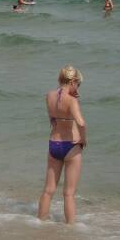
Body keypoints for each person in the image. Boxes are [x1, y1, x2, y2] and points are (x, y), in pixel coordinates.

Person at [37, 66, 87, 224]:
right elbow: (81, 123)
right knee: (69, 193)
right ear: (72, 82)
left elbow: (53, 117)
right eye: (78, 84)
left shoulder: (49, 95)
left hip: (54, 143)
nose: (78, 88)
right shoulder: (72, 100)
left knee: (48, 190)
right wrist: (83, 139)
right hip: (71, 146)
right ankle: (70, 229)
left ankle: (39, 222)